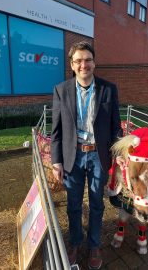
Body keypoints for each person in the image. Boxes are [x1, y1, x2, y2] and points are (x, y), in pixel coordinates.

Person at [51, 41, 122, 269]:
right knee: (73, 205)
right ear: (72, 65)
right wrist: (56, 161)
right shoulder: (61, 90)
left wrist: (119, 153)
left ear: (95, 62)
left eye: (88, 60)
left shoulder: (108, 89)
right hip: (72, 158)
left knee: (96, 204)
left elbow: (115, 127)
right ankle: (75, 242)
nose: (84, 64)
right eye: (78, 61)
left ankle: (93, 245)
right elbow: (56, 131)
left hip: (98, 157)